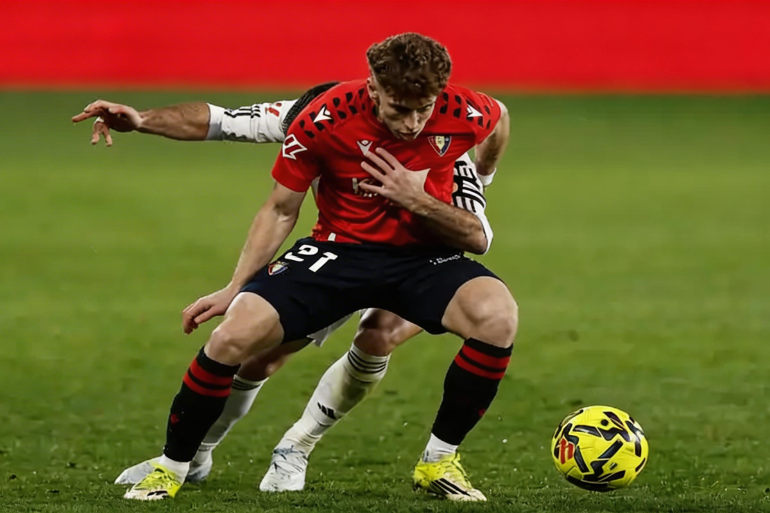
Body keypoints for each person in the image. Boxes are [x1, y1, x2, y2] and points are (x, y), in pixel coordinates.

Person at [86, 32, 517, 502]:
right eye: (400, 109)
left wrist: (477, 176)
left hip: (422, 255)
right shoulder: (318, 117)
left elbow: (482, 214)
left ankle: (405, 457)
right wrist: (143, 120)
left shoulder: (460, 117)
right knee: (242, 342)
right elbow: (232, 139)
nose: (413, 124)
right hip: (339, 252)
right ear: (373, 89)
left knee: (466, 320)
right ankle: (180, 462)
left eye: (423, 110)